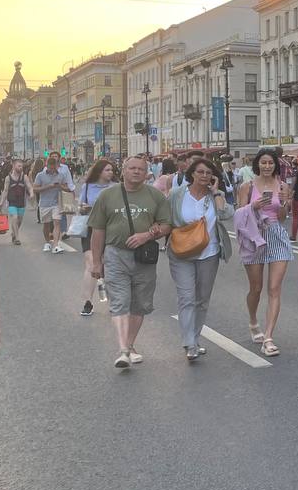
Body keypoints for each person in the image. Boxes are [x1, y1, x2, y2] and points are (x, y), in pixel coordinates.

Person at [87, 155, 172, 370]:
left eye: (140, 169)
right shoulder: (107, 195)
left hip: (144, 256)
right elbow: (98, 231)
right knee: (119, 302)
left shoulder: (154, 195)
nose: (136, 172)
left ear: (146, 173)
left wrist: (147, 235)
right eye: (132, 168)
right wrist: (96, 262)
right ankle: (123, 350)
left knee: (140, 304)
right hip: (115, 254)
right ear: (123, 171)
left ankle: (130, 344)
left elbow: (166, 225)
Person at [167, 158, 233, 362]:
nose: (204, 176)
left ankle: (195, 338)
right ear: (192, 174)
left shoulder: (215, 195)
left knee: (202, 300)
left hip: (209, 253)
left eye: (208, 173)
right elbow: (166, 217)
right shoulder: (177, 194)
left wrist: (217, 192)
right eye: (200, 172)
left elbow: (226, 214)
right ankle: (189, 343)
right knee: (186, 297)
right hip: (181, 252)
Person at [236, 148, 293, 355]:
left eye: (270, 163)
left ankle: (268, 337)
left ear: (275, 165)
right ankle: (253, 321)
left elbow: (284, 217)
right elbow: (239, 215)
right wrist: (254, 206)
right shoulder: (247, 186)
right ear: (257, 164)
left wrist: (284, 202)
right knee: (256, 287)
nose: (267, 166)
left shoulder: (283, 185)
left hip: (276, 235)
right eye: (263, 162)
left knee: (274, 289)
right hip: (254, 236)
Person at [76, 160, 116, 316]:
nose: (110, 172)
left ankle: (114, 301)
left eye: (111, 170)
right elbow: (80, 207)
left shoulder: (115, 187)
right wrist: (83, 208)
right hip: (90, 228)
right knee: (91, 263)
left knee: (109, 264)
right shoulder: (87, 187)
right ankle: (88, 302)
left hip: (110, 229)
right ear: (99, 171)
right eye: (107, 170)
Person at [33, 152, 75, 254]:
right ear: (47, 166)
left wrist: (60, 186)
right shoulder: (40, 175)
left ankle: (56, 245)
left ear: (56, 166)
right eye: (50, 168)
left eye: (54, 168)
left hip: (57, 203)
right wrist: (49, 186)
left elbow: (67, 188)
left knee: (57, 222)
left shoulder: (60, 175)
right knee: (46, 225)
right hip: (44, 203)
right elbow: (35, 189)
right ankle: (47, 242)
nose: (52, 170)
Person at [0, 157, 34, 246]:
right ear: (13, 166)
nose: (20, 168)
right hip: (11, 202)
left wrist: (31, 193)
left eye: (21, 166)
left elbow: (29, 186)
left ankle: (14, 233)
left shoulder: (24, 177)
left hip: (21, 202)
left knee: (19, 221)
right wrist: (1, 202)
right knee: (14, 218)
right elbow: (5, 191)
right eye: (19, 166)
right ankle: (17, 238)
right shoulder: (8, 178)